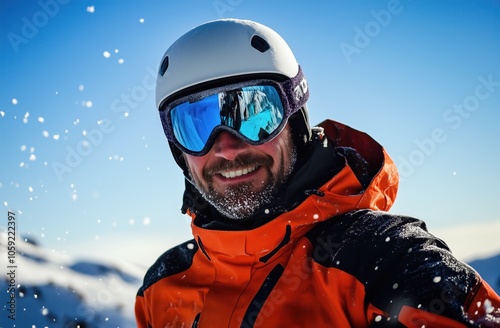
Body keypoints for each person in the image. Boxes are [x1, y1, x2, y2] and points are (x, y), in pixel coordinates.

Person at [135, 18, 500, 327]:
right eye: (194, 125)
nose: (227, 147)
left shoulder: (386, 261)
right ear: (177, 151)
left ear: (295, 123)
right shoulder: (162, 285)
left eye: (254, 115)